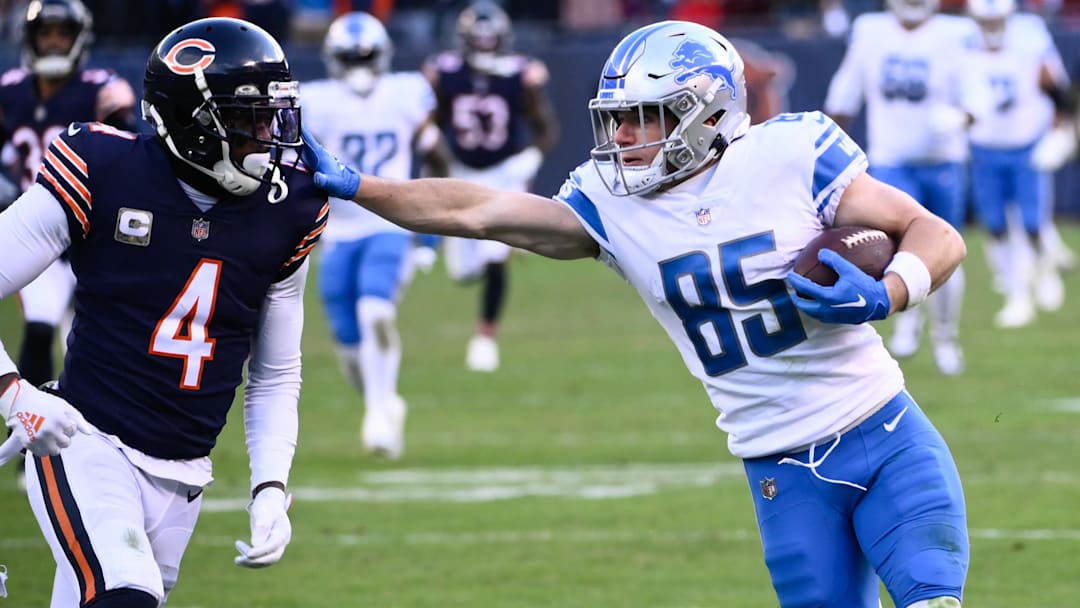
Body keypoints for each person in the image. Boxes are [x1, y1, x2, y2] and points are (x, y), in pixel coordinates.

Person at [303, 19, 970, 608]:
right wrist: (363, 187)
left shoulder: (791, 154)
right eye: (616, 117)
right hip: (778, 472)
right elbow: (475, 210)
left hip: (885, 435)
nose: (619, 135)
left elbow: (934, 234)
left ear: (706, 111)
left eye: (640, 116)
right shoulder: (610, 205)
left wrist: (892, 293)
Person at [0, 17, 327, 606]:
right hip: (86, 440)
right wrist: (13, 393)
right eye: (249, 118)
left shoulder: (291, 208)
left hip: (185, 471)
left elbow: (276, 371)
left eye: (272, 115)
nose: (269, 135)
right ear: (196, 123)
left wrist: (270, 485)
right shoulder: (106, 167)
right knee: (127, 594)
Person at [0, 0, 136, 491]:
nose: (54, 41)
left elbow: (133, 151)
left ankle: (102, 446)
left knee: (96, 342)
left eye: (63, 32)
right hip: (37, 237)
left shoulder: (103, 89)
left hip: (92, 236)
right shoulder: (10, 91)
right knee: (38, 330)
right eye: (47, 33)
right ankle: (28, 445)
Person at [304, 11, 449, 460]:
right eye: (350, 57)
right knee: (348, 341)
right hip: (338, 233)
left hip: (389, 222)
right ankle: (383, 402)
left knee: (375, 312)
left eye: (363, 56)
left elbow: (437, 158)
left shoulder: (405, 94)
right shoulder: (318, 101)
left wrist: (430, 234)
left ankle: (377, 415)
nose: (358, 65)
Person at [824, 0, 979, 375]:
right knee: (892, 247)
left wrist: (961, 116)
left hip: (942, 158)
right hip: (892, 156)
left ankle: (945, 335)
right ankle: (909, 318)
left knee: (944, 246)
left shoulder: (954, 34)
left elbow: (978, 98)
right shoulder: (871, 31)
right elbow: (845, 92)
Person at [422, 0, 558, 372]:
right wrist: (438, 155)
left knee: (496, 258)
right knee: (464, 273)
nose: (484, 46)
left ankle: (485, 338)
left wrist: (530, 158)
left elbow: (546, 127)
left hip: (504, 172)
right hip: (465, 169)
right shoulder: (445, 72)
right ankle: (494, 250)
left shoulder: (520, 73)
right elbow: (428, 120)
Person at [964, 0, 1068, 328]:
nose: (991, 27)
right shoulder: (961, 43)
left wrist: (1060, 128)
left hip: (1025, 144)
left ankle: (1044, 268)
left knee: (1033, 223)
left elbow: (1055, 87)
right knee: (995, 225)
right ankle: (1015, 292)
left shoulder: (1029, 38)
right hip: (984, 145)